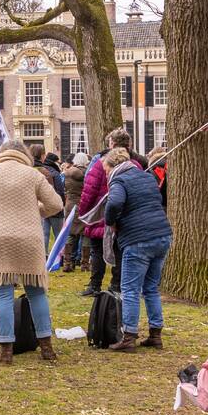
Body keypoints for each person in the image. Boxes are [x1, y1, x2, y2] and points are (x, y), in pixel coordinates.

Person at [0, 141, 63, 364]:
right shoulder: (33, 174)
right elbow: (56, 205)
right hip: (29, 239)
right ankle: (46, 347)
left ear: (1, 154)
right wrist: (38, 209)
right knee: (36, 293)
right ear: (24, 155)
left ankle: (6, 349)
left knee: (3, 295)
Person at [102, 147, 173, 352]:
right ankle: (155, 333)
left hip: (138, 239)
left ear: (113, 165)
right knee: (151, 288)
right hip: (161, 234)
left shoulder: (119, 180)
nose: (105, 172)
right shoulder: (146, 176)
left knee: (130, 289)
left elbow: (114, 203)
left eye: (106, 168)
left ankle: (129, 336)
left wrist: (111, 222)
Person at [77, 128, 145, 297]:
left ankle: (95, 285)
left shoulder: (101, 163)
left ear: (112, 144)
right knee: (119, 250)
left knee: (98, 251)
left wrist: (84, 213)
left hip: (102, 213)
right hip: (124, 214)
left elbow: (89, 189)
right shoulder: (135, 165)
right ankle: (116, 284)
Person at [61, 153, 89, 272]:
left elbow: (64, 189)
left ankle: (68, 263)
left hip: (70, 204)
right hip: (84, 204)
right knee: (86, 234)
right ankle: (85, 264)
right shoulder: (88, 173)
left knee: (70, 233)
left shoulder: (66, 172)